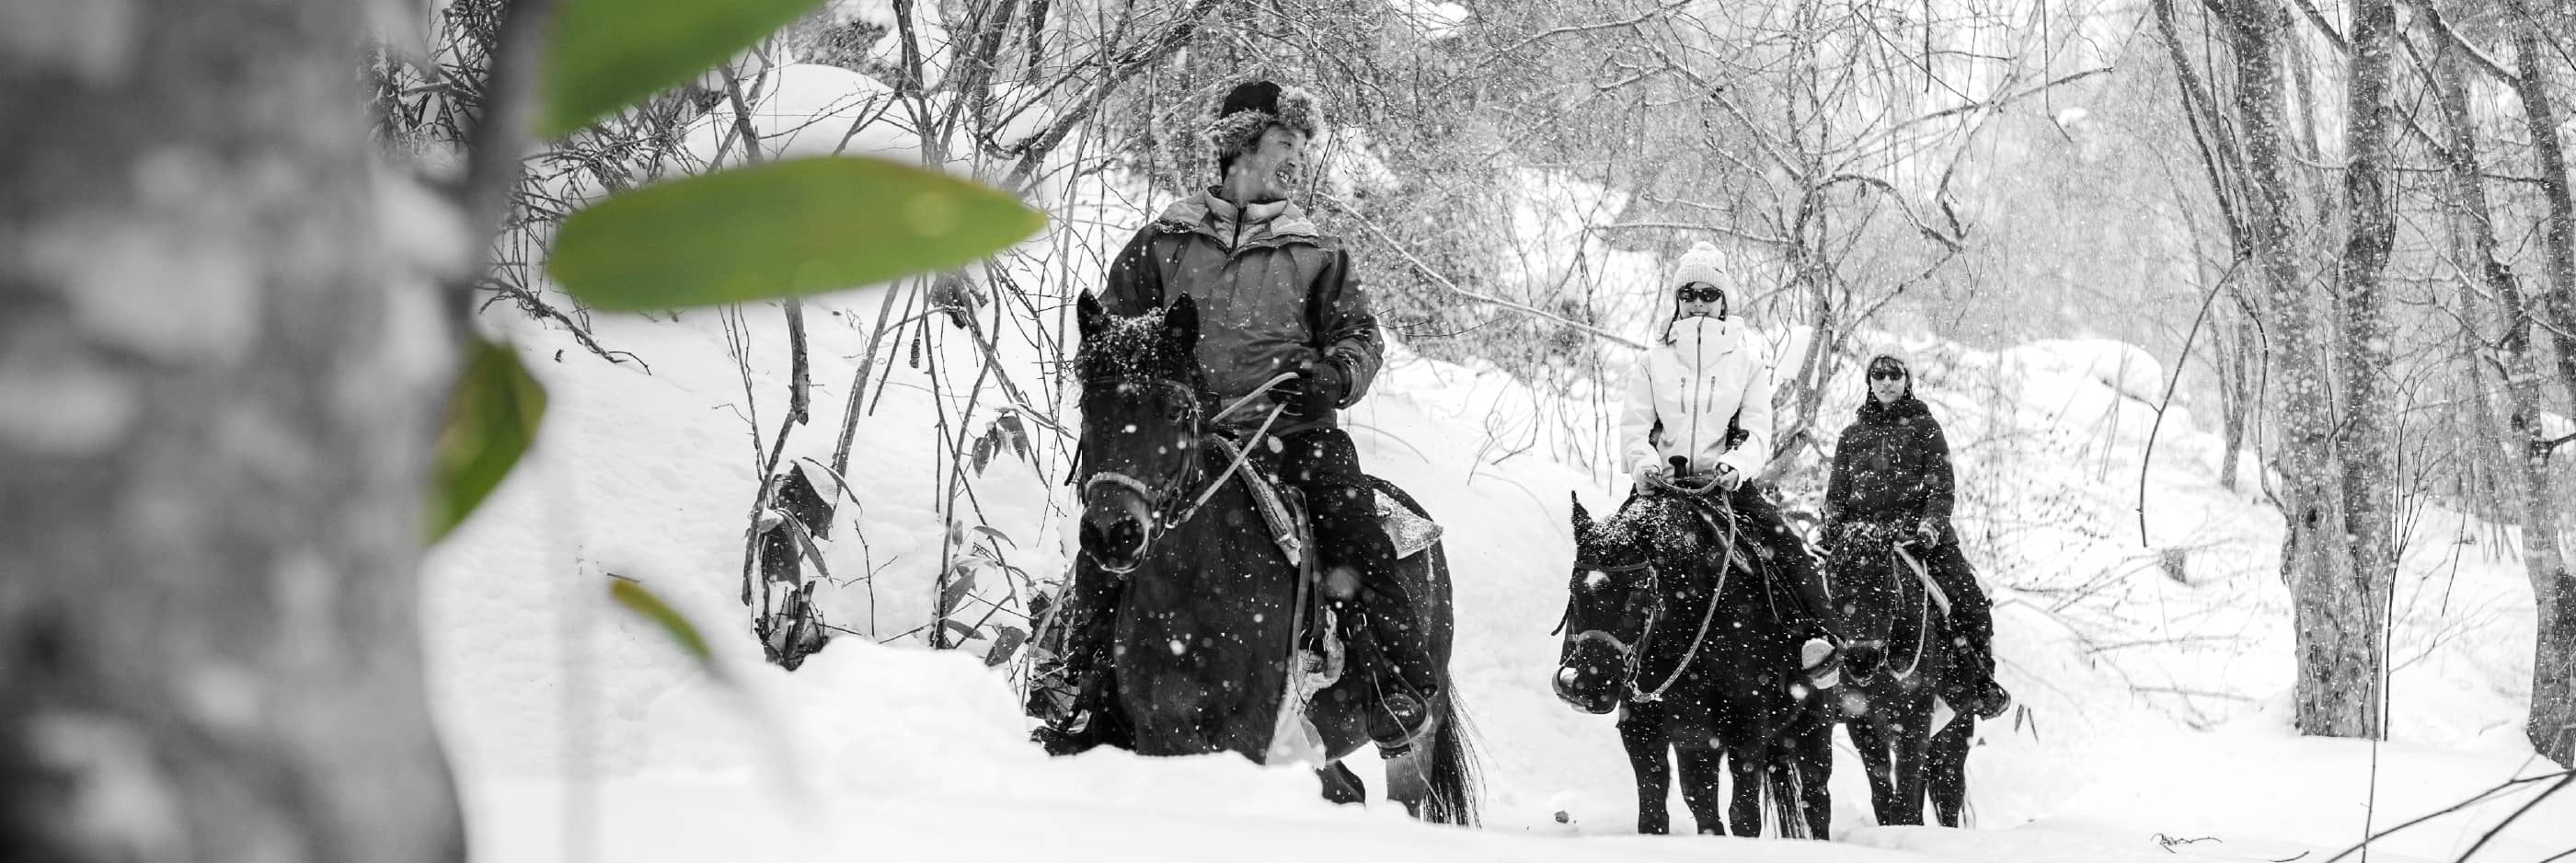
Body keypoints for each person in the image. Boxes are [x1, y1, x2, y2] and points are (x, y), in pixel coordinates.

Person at [1029, 80, 1438, 752]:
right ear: (1240, 147)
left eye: (1302, 149)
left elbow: (1360, 337)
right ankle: (1078, 678)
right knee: (1109, 527)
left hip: (1291, 433)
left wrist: (1332, 378)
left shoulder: (1319, 252)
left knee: (1353, 526)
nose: (1297, 161)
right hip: (1181, 432)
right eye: (1285, 144)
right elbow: (1113, 334)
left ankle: (1389, 681)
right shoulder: (1162, 240)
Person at [1619, 242, 1843, 690]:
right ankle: (1588, 657)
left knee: (1786, 550)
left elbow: (1757, 432)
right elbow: (1635, 429)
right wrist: (1644, 465)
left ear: (1723, 300)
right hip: (1660, 488)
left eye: (1708, 293)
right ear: (1678, 301)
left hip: (1727, 489)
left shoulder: (1746, 364)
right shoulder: (1650, 363)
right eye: (1689, 294)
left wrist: (1734, 464)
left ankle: (1822, 641)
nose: (1699, 302)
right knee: (1603, 554)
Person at [1821, 352, 2013, 719]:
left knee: (1968, 601)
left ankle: (1981, 684)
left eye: (1895, 374)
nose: (1887, 382)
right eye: (1880, 374)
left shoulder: (1926, 428)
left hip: (1917, 540)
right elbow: (1836, 495)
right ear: (1869, 381)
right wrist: (1832, 524)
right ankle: (1814, 683)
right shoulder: (1850, 436)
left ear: (1907, 379)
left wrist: (1929, 529)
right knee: (1812, 595)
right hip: (1863, 541)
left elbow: (1942, 490)